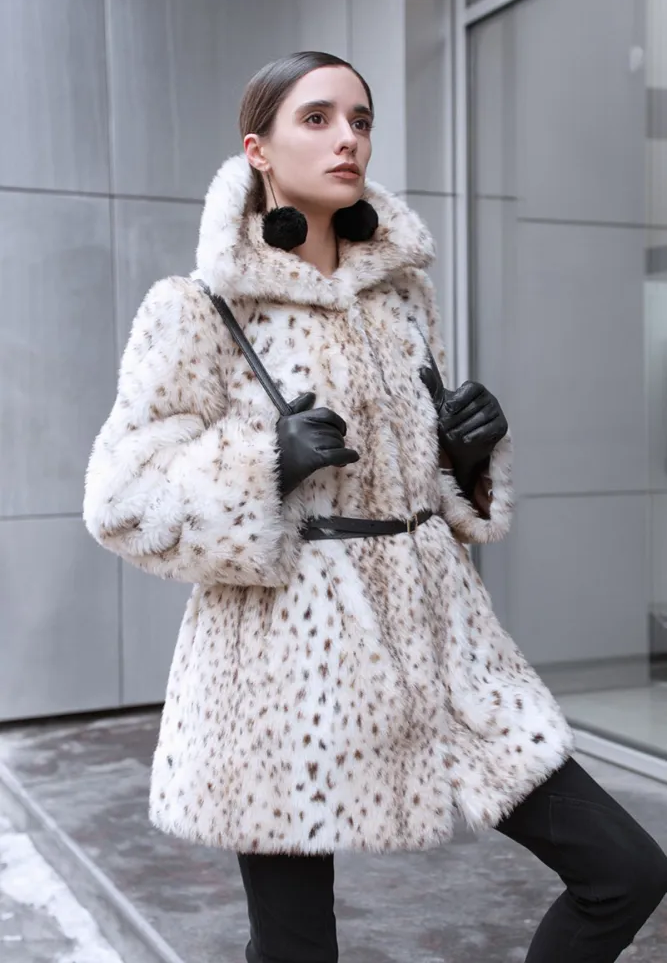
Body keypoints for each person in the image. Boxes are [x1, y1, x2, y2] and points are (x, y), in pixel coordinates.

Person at [83, 51, 667, 963]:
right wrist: (262, 464)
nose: (347, 136)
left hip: (442, 641)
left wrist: (468, 457)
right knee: (295, 948)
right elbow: (120, 497)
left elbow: (428, 483)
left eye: (359, 118)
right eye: (316, 118)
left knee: (625, 871)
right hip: (277, 664)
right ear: (259, 150)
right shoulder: (195, 308)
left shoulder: (400, 300)